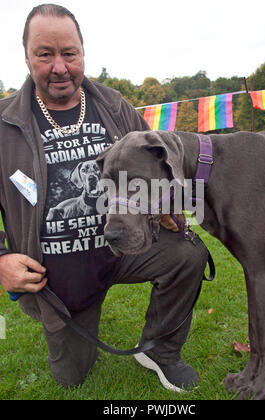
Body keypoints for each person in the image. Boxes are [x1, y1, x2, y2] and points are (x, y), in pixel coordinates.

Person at [0, 4, 208, 391]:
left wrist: (163, 208)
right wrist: (1, 259)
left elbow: (160, 164)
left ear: (82, 52)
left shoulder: (114, 107)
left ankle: (160, 349)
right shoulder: (4, 124)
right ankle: (76, 326)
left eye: (69, 53)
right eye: (45, 54)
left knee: (188, 254)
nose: (59, 66)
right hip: (59, 276)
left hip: (127, 246)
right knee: (72, 378)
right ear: (27, 56)